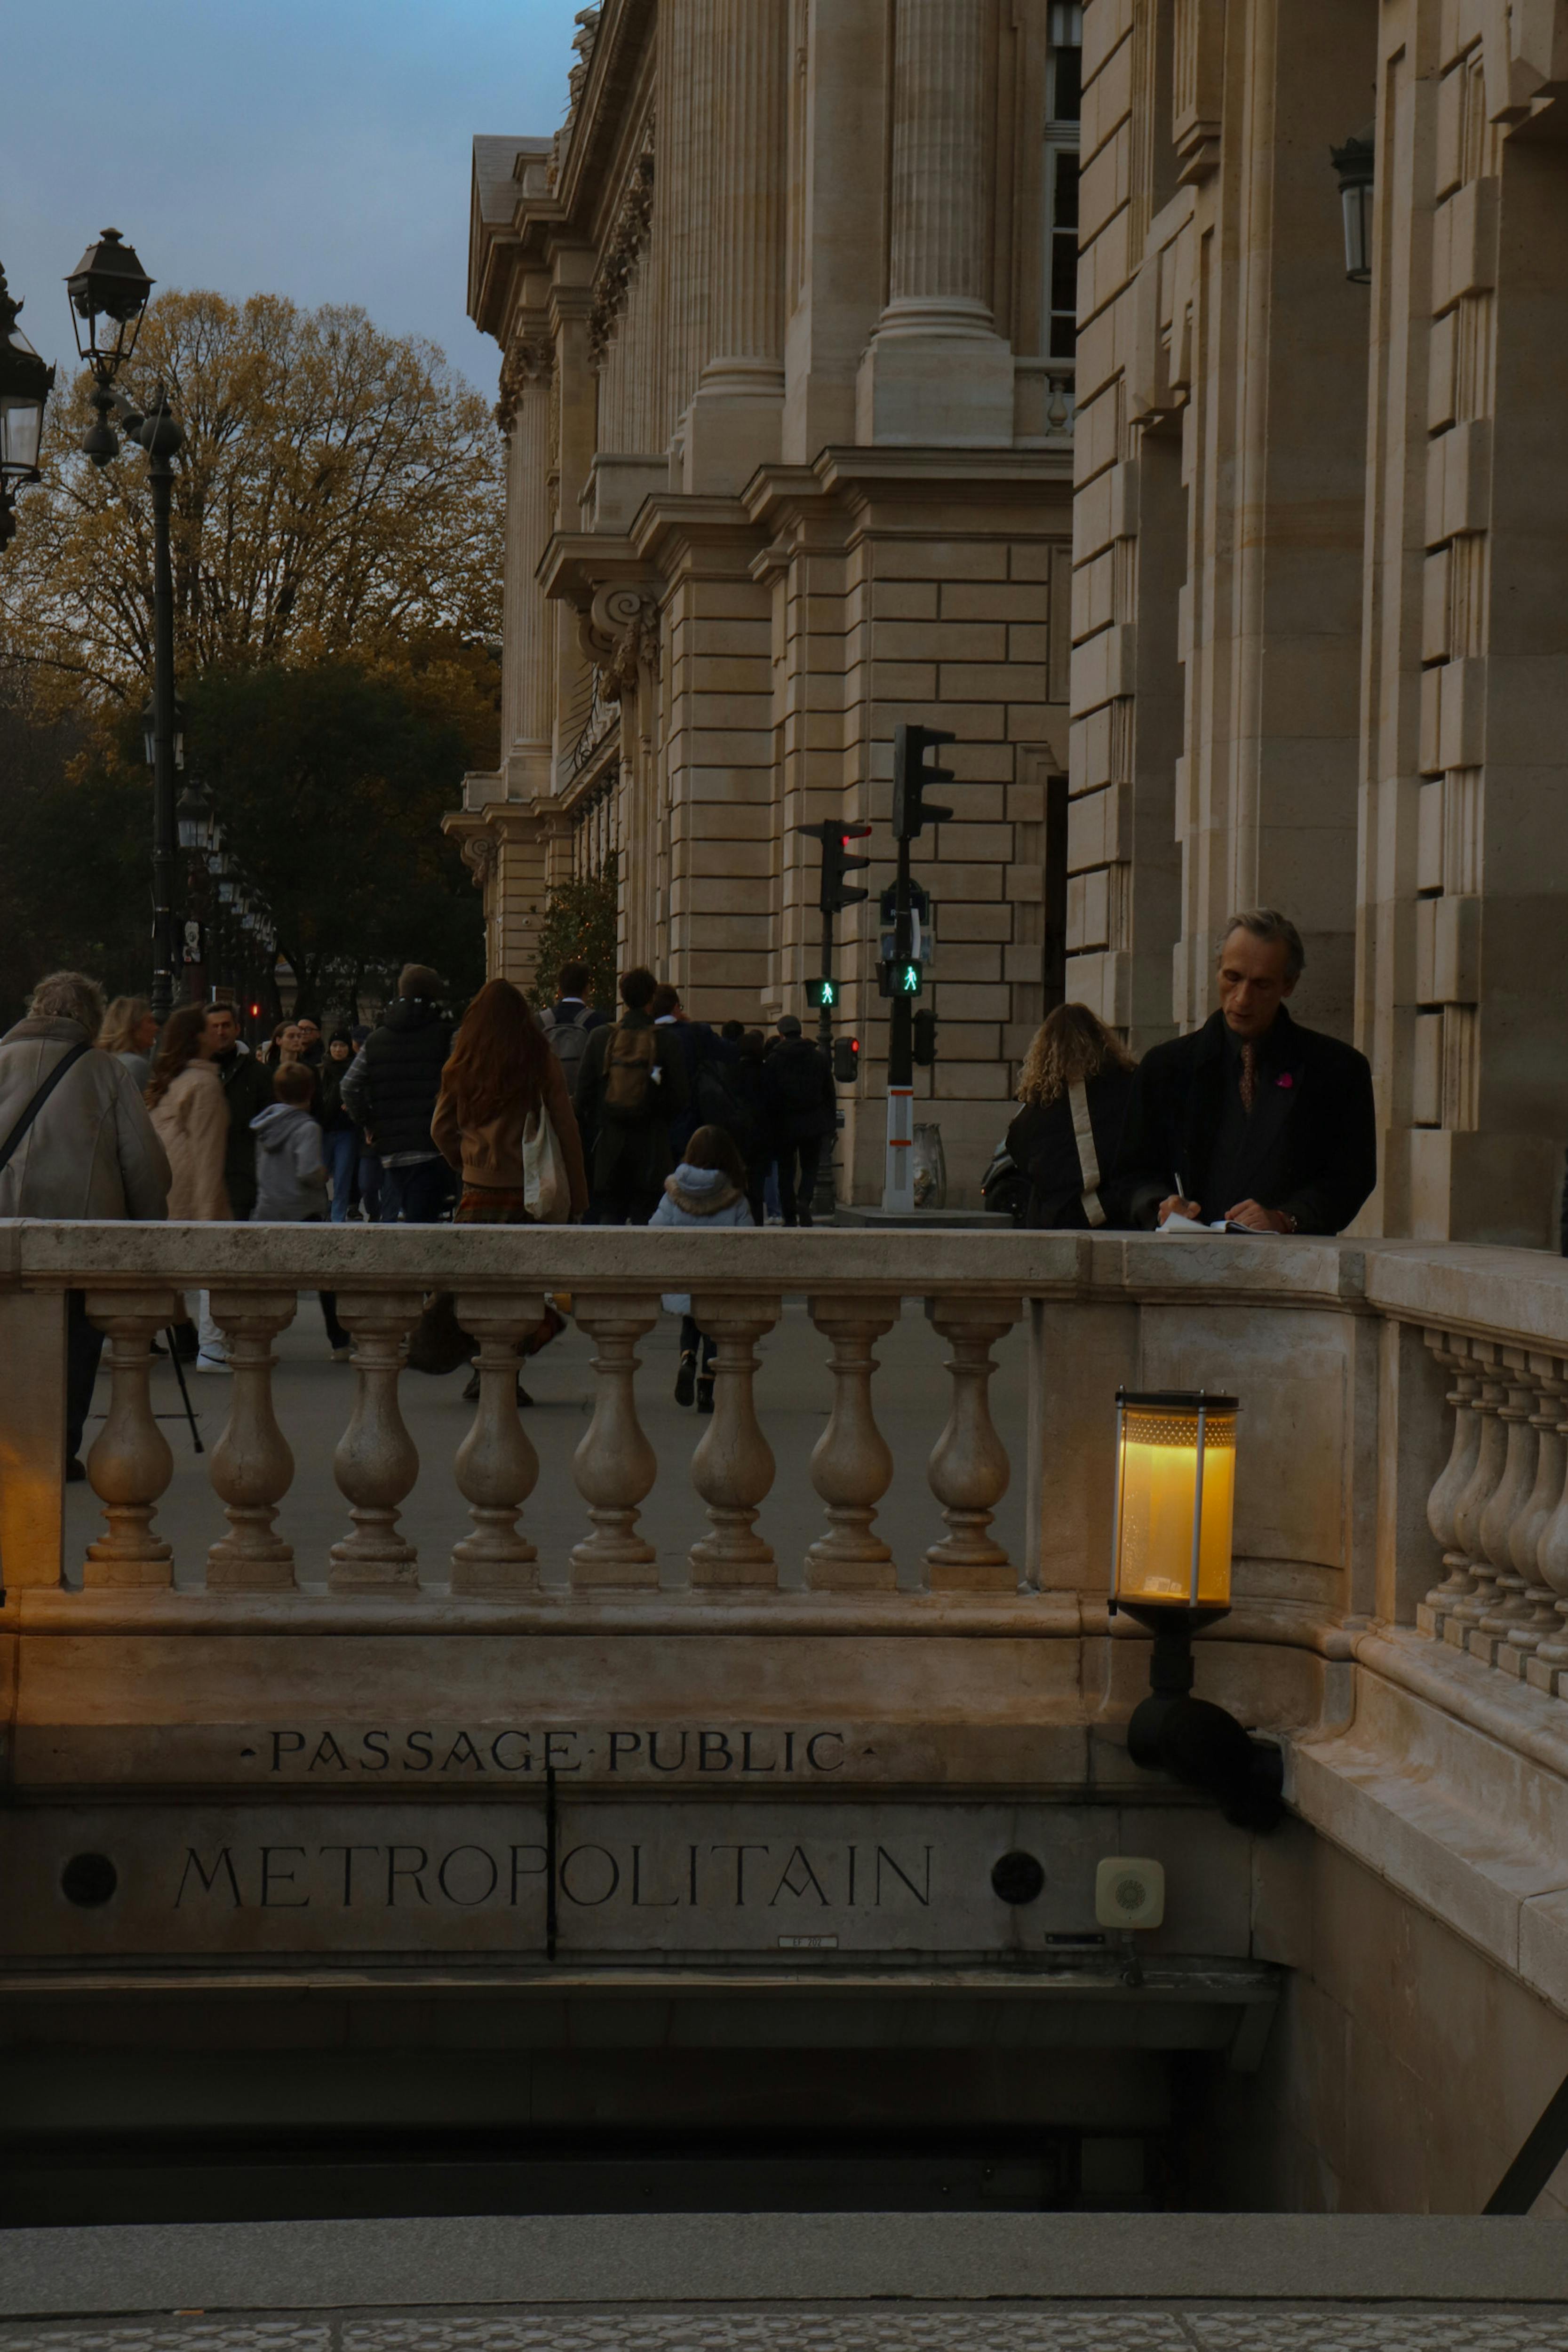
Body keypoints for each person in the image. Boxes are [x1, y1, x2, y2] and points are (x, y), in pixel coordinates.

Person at [0, 970, 170, 1477]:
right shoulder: (105, 1070)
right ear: (92, 1018)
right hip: (78, 1231)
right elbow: (144, 1162)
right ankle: (58, 1446)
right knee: (74, 1344)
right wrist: (148, 1223)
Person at [1116, 907, 1378, 1234]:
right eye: (1233, 978)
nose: (1242, 999)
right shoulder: (1164, 1067)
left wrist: (1286, 1219)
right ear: (1216, 970)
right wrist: (1160, 1205)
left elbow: (1351, 1179)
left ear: (1289, 984)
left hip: (1291, 1270)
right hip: (1180, 1264)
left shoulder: (1338, 1071)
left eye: (1261, 985)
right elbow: (1129, 1175)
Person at [430, 978, 589, 1400]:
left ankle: (485, 1369)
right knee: (519, 1285)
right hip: (528, 1192)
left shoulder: (461, 1062)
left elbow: (440, 1129)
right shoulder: (539, 1058)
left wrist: (466, 1163)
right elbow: (566, 1127)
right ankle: (510, 1367)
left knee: (478, 1285)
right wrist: (577, 1192)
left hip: (476, 1193)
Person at [146, 1004, 233, 1374]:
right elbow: (208, 1151)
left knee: (171, 1274)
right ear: (198, 1036)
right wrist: (210, 1212)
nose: (219, 1033)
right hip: (190, 1189)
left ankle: (187, 1338)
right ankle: (212, 1347)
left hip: (164, 1187)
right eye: (210, 1028)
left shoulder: (171, 1080)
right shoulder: (204, 1084)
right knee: (219, 1271)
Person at [647, 1123, 755, 1413]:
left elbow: (655, 1229)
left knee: (690, 1321)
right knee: (713, 1329)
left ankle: (687, 1358)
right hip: (719, 1278)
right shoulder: (735, 1196)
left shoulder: (674, 1192)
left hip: (684, 1275)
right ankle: (706, 1385)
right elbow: (748, 1239)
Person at [573, 966, 690, 1225]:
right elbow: (681, 1097)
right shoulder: (667, 1041)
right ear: (652, 998)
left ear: (623, 997)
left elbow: (582, 1096)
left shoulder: (601, 1037)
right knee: (646, 1222)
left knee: (609, 1218)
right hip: (652, 1149)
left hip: (610, 1148)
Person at [1005, 1003, 1137, 1229]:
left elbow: (1018, 1149)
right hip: (1117, 1216)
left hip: (1058, 1221)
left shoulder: (1039, 1106)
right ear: (1100, 1040)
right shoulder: (1128, 1084)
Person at [250, 1063, 350, 1358]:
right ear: (311, 1091)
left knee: (267, 1280)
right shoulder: (307, 1128)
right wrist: (322, 1173)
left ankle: (256, 1337)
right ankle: (340, 1341)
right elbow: (307, 1171)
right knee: (326, 1278)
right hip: (302, 1211)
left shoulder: (264, 1126)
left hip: (268, 1208)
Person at [340, 964, 454, 1223]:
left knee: (407, 1212)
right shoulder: (446, 1036)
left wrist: (369, 1122)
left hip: (391, 1148)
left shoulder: (376, 1040)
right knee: (422, 1223)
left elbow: (349, 1086)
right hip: (434, 1143)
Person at [762, 1013, 836, 1226]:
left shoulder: (775, 1059)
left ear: (781, 1033)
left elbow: (770, 1094)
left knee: (786, 1170)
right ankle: (804, 1199)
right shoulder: (818, 1057)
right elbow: (829, 1092)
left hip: (784, 1124)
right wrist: (828, 1122)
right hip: (813, 1122)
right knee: (810, 1166)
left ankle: (789, 1212)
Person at [202, 1002, 271, 1223]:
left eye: (226, 1025)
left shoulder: (259, 1074)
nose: (221, 1032)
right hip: (204, 1175)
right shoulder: (195, 1072)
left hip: (242, 1176)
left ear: (237, 1029)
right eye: (214, 1027)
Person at [538, 960, 606, 1101]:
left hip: (549, 1104)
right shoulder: (599, 1022)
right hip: (585, 1105)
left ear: (560, 991)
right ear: (587, 989)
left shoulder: (540, 1022)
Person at [317, 1029, 361, 1224]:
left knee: (343, 1176)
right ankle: (322, 1210)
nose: (338, 1050)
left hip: (347, 1130)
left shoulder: (355, 1069)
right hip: (324, 1129)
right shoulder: (321, 1070)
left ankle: (338, 1217)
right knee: (320, 1176)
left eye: (342, 1046)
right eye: (335, 1046)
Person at [97, 998, 158, 1092]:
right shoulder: (137, 1066)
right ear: (133, 1027)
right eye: (150, 1021)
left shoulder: (102, 1062)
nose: (156, 1028)